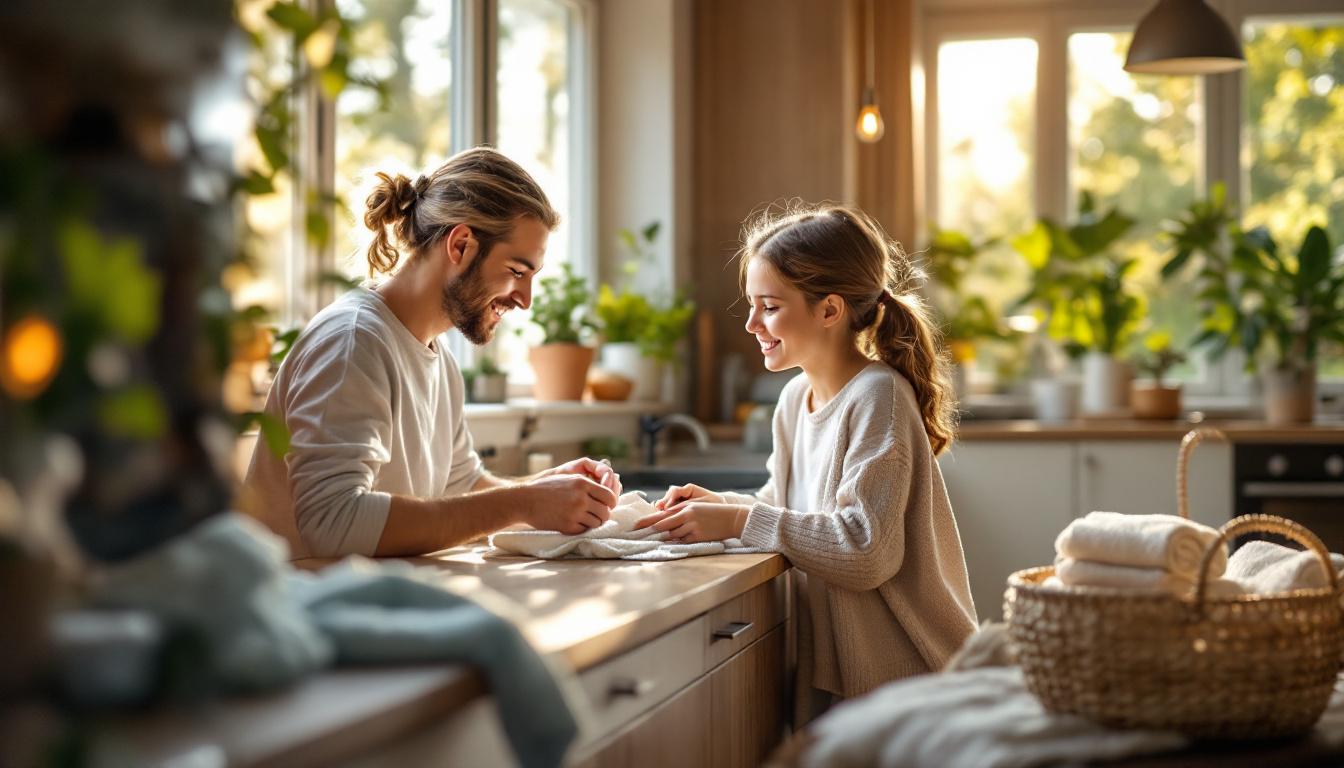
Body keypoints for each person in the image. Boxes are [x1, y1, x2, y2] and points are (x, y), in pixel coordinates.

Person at [635, 202, 977, 722]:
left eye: (768, 306)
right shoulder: (795, 398)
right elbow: (783, 506)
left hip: (906, 678)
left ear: (829, 310)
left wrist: (738, 520)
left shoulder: (877, 397)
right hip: (842, 677)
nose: (751, 323)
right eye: (750, 304)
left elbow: (866, 551)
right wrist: (721, 506)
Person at [243, 147, 621, 559]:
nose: (525, 300)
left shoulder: (438, 360)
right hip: (302, 611)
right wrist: (524, 503)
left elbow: (457, 489)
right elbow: (335, 524)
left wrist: (542, 493)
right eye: (516, 272)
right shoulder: (353, 343)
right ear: (460, 246)